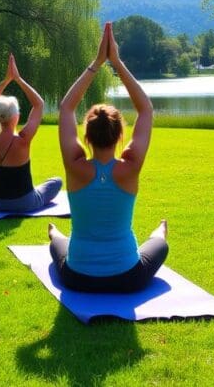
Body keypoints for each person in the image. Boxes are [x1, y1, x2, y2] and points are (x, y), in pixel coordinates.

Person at [49, 22, 168, 293]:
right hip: (127, 277)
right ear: (119, 137)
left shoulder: (75, 166)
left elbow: (67, 108)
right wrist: (116, 62)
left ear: (87, 138)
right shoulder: (130, 167)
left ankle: (55, 234)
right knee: (160, 243)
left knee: (58, 245)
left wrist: (96, 63)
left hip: (77, 277)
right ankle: (159, 231)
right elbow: (146, 110)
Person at [0, 53, 62, 212]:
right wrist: (17, 78)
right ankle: (34, 191)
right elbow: (39, 104)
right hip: (25, 202)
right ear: (16, 116)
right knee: (56, 182)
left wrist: (5, 81)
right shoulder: (23, 139)